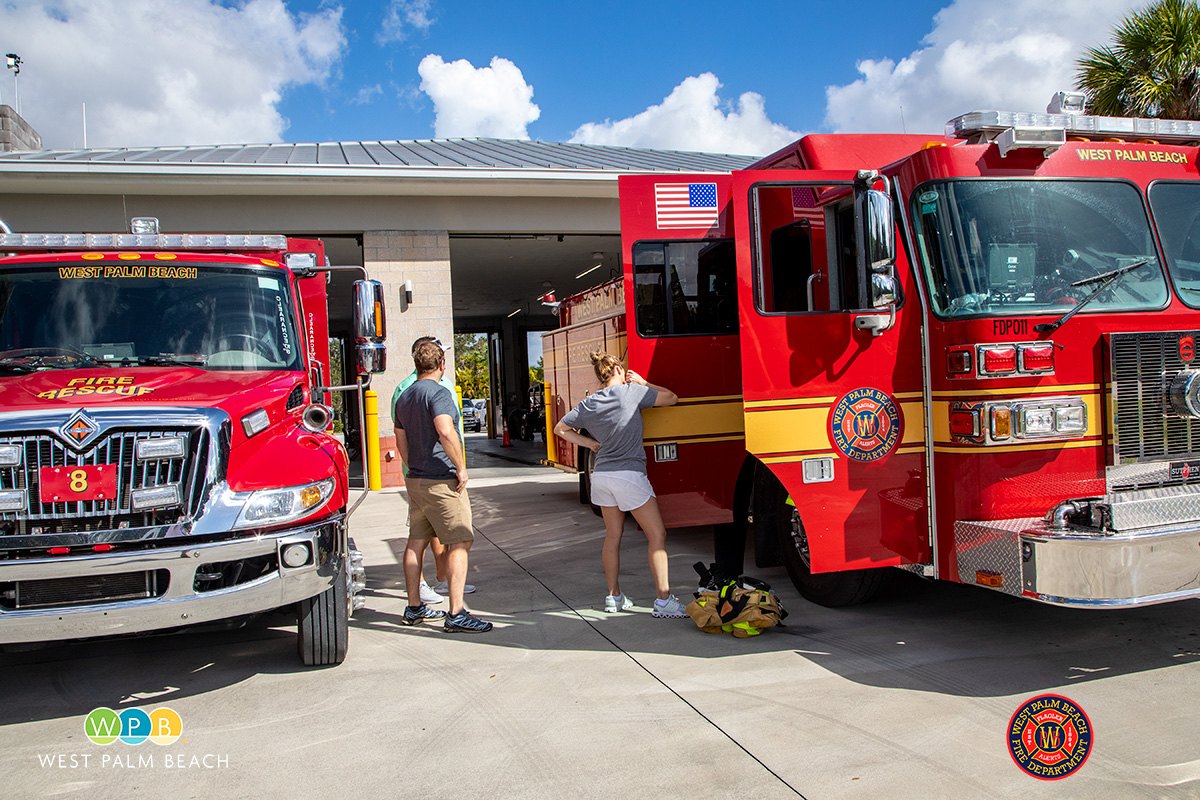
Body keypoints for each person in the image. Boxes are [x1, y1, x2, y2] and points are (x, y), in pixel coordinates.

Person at [552, 352, 687, 618]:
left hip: (601, 476)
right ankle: (663, 600)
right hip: (629, 475)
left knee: (612, 537)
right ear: (617, 368)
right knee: (657, 536)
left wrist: (589, 444)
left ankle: (613, 596)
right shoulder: (632, 392)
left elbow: (560, 429)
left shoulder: (590, 402)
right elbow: (672, 398)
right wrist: (644, 383)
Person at [394, 339, 491, 633]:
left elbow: (401, 441)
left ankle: (414, 608)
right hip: (441, 479)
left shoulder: (404, 397)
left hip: (416, 480)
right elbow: (445, 430)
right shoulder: (440, 393)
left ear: (416, 365)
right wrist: (461, 467)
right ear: (441, 365)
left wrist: (413, 466)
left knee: (416, 542)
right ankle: (457, 612)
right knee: (461, 540)